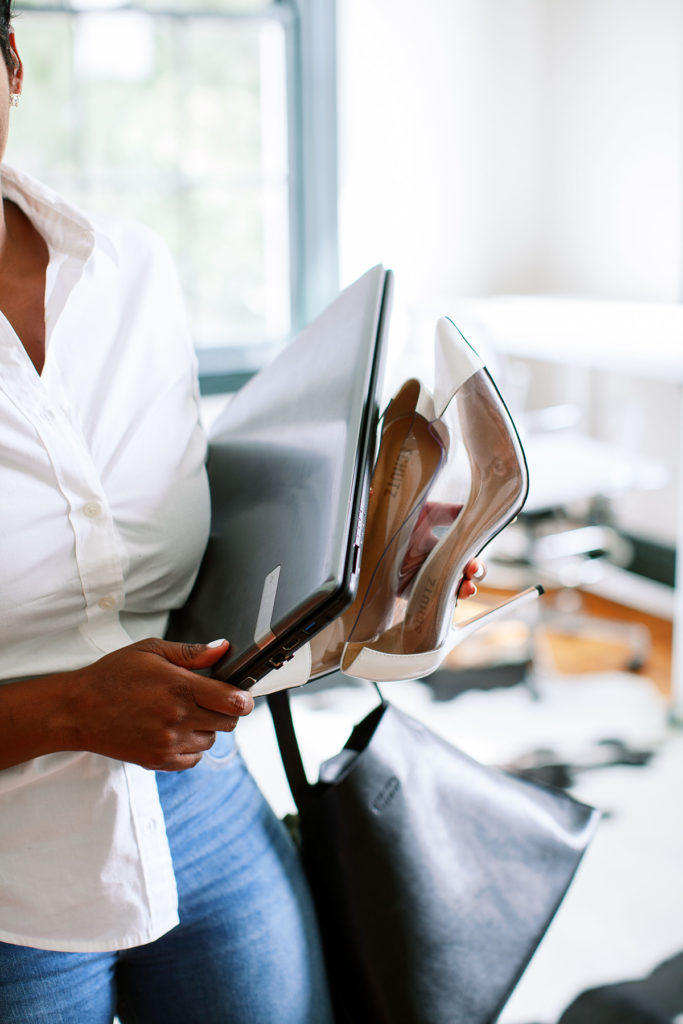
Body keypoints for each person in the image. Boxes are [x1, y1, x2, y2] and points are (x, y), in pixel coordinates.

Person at [0, 9, 484, 1023]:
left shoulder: (127, 269)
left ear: (10, 68)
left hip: (196, 794)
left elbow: (190, 519)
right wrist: (73, 711)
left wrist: (361, 556)